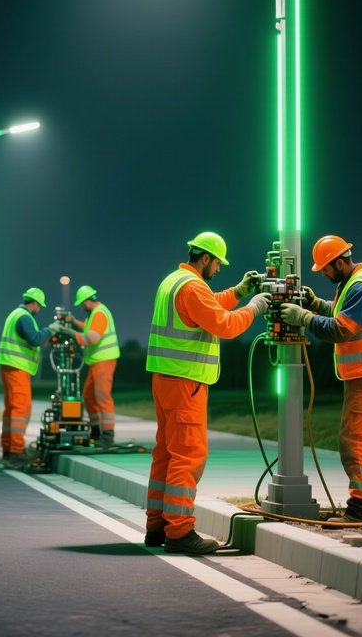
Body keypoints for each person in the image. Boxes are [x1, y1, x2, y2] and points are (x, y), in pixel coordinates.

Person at [145, 231, 270, 555]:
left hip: (165, 380)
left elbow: (209, 305)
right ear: (205, 259)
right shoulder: (192, 287)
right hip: (187, 383)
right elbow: (224, 325)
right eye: (217, 264)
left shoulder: (173, 281)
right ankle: (180, 530)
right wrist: (255, 307)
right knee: (188, 455)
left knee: (166, 454)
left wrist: (239, 292)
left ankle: (156, 525)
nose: (218, 269)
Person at [280, 235, 362, 523]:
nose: (323, 273)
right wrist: (317, 305)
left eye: (324, 268)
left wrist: (303, 317)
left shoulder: (360, 288)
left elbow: (341, 329)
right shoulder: (356, 282)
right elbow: (342, 313)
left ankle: (360, 508)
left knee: (356, 439)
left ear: (339, 262)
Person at [0, 288, 58, 469]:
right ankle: (16, 452)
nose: (39, 309)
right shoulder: (24, 317)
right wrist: (51, 329)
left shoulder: (14, 314)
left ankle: (8, 450)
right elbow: (34, 338)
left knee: (11, 409)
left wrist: (47, 336)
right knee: (20, 409)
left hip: (9, 366)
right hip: (18, 368)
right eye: (40, 306)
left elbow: (32, 339)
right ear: (35, 303)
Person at [56, 285, 120, 447]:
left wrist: (69, 332)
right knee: (89, 396)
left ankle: (107, 435)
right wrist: (73, 322)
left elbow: (90, 339)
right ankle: (96, 431)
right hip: (96, 362)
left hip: (104, 360)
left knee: (102, 397)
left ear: (88, 301)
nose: (81, 306)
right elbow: (88, 328)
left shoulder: (99, 314)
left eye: (82, 304)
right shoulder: (95, 314)